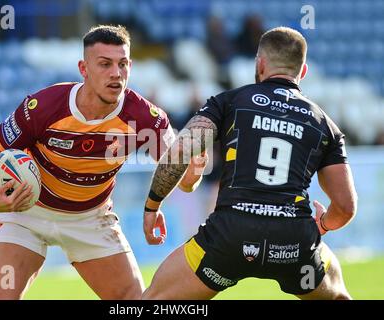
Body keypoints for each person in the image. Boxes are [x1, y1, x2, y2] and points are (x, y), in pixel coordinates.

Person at [0, 24, 202, 300]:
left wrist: (193, 168)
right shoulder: (44, 106)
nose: (116, 74)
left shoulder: (145, 117)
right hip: (26, 215)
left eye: (122, 64)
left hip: (91, 220)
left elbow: (185, 179)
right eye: (105, 64)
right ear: (83, 69)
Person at [142, 27, 357, 300]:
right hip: (293, 241)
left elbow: (180, 151)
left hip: (230, 235)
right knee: (339, 296)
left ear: (260, 64)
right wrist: (323, 225)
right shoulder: (325, 125)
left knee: (153, 300)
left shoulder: (230, 101)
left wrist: (153, 206)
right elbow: (346, 207)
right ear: (302, 72)